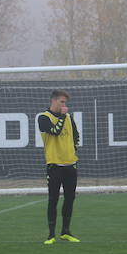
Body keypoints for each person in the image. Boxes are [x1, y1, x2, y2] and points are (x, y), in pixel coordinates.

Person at [37, 90, 80, 245]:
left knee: (70, 198)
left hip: (70, 164)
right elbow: (55, 131)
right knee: (53, 199)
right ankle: (51, 235)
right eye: (62, 102)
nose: (64, 105)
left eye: (65, 102)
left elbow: (76, 136)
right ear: (53, 101)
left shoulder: (68, 117)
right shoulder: (43, 118)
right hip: (54, 164)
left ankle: (66, 232)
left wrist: (73, 151)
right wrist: (61, 116)